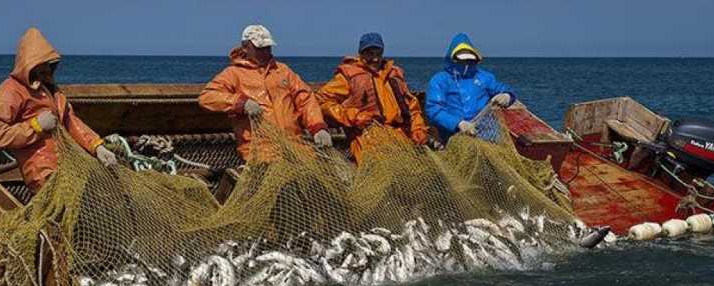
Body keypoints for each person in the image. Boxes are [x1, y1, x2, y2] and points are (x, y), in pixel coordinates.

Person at [0, 27, 117, 194]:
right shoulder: (8, 91)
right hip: (43, 173)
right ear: (28, 63)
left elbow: (70, 121)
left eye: (49, 64)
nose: (47, 69)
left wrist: (96, 146)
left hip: (71, 165)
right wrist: (36, 126)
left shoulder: (50, 89)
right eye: (42, 64)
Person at [198, 24, 332, 162]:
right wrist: (241, 103)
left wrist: (318, 127)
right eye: (260, 48)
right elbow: (207, 97)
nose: (265, 52)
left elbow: (305, 99)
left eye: (267, 47)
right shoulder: (233, 73)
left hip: (296, 149)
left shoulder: (283, 71)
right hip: (260, 153)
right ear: (245, 47)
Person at [316, 33, 436, 164]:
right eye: (370, 53)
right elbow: (321, 103)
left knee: (418, 171)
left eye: (378, 53)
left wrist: (418, 129)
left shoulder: (394, 75)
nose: (375, 58)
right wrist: (352, 116)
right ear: (361, 53)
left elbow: (413, 108)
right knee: (385, 170)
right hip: (368, 140)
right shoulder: (349, 76)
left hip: (400, 139)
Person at [425, 32, 515, 143]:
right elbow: (434, 110)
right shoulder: (439, 80)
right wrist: (458, 123)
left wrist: (507, 96)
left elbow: (503, 89)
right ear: (453, 58)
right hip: (453, 136)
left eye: (469, 59)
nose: (466, 63)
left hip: (487, 134)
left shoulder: (484, 77)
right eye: (462, 59)